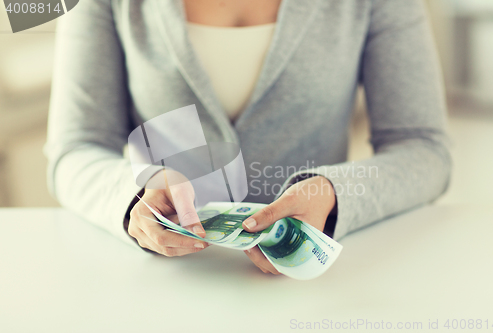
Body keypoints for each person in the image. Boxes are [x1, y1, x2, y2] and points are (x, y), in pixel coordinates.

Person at [46, 0, 451, 275]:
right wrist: (133, 194)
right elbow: (77, 145)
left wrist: (334, 194)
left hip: (315, 283)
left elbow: (423, 148)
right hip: (167, 280)